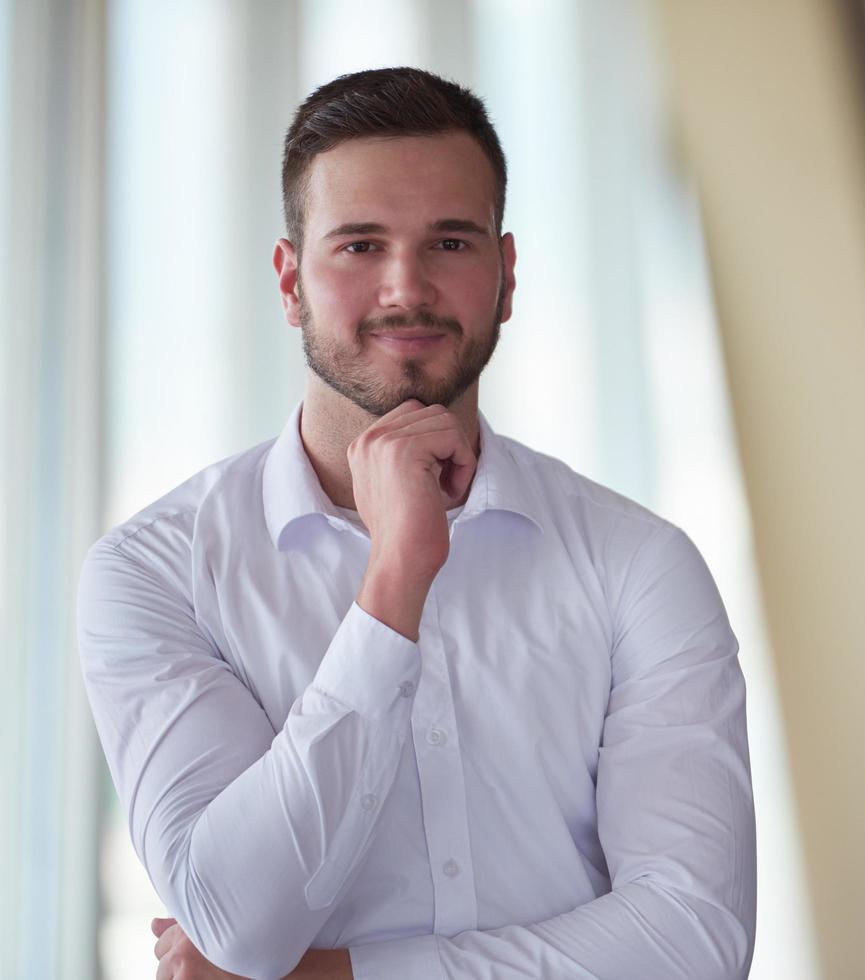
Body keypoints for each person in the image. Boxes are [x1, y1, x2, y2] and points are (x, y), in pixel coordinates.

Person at [77, 66, 756, 980]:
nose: (406, 288)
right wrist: (394, 583)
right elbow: (236, 921)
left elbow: (693, 941)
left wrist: (331, 976)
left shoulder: (637, 562)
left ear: (505, 275)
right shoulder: (155, 573)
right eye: (359, 246)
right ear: (289, 282)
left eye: (449, 241)